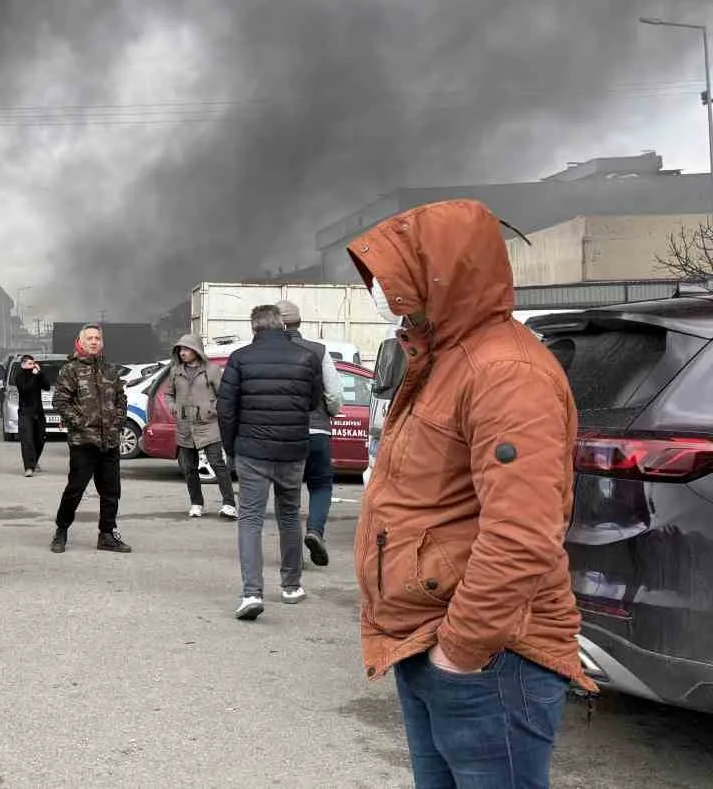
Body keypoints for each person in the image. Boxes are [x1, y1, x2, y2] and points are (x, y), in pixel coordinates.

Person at [348, 199, 591, 786]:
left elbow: (523, 534)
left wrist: (459, 650)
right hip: (432, 641)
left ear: (442, 272)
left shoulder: (504, 372)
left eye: (395, 274)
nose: (384, 289)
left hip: (488, 658)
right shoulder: (445, 359)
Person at [216, 305, 322, 621]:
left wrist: (231, 446)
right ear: (282, 325)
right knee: (289, 515)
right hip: (292, 451)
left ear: (254, 327)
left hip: (252, 450)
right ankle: (291, 586)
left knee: (250, 519)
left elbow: (225, 409)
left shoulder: (240, 358)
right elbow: (314, 401)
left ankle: (251, 593)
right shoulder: (307, 357)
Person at [50, 324, 132, 554]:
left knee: (111, 491)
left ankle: (107, 534)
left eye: (97, 338)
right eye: (90, 338)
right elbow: (60, 402)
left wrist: (117, 424)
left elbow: (121, 400)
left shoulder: (110, 370)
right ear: (81, 342)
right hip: (83, 443)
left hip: (110, 443)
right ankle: (61, 530)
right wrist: (81, 423)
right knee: (75, 489)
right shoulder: (71, 370)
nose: (94, 342)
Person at [275, 300, 344, 568]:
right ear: (299, 323)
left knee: (285, 493)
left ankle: (291, 555)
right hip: (316, 431)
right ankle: (315, 530)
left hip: (282, 433)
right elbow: (335, 393)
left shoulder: (268, 353)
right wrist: (330, 412)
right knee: (321, 484)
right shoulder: (319, 350)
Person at [166, 335, 237, 520]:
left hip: (208, 425)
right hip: (184, 426)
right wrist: (172, 405)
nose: (183, 353)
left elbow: (224, 395)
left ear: (196, 350)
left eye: (187, 349)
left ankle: (229, 504)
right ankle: (196, 503)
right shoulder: (175, 371)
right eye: (180, 350)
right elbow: (169, 394)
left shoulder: (212, 370)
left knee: (218, 464)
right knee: (189, 468)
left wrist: (213, 409)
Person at [13, 354, 48, 476]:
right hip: (25, 412)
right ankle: (28, 467)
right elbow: (25, 389)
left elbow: (47, 386)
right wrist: (33, 376)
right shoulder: (19, 376)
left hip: (38, 412)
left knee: (40, 439)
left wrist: (40, 373)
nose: (32, 366)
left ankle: (34, 461)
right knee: (27, 441)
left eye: (33, 364)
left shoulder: (36, 375)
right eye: (29, 364)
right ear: (23, 364)